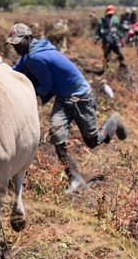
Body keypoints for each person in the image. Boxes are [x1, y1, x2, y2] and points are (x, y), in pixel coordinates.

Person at [7, 23, 128, 193]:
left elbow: (46, 85)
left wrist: (26, 93)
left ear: (27, 38)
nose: (15, 48)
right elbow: (15, 71)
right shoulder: (29, 55)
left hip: (81, 96)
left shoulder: (36, 57)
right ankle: (75, 178)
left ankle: (113, 123)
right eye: (13, 44)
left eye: (17, 43)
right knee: (57, 135)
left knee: (92, 141)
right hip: (64, 97)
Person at [94, 4, 126, 72]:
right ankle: (105, 69)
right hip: (106, 41)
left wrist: (122, 39)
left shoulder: (116, 19)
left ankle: (122, 67)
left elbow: (119, 30)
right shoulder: (102, 20)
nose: (110, 15)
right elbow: (98, 30)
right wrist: (96, 38)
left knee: (120, 54)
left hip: (115, 40)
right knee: (106, 55)